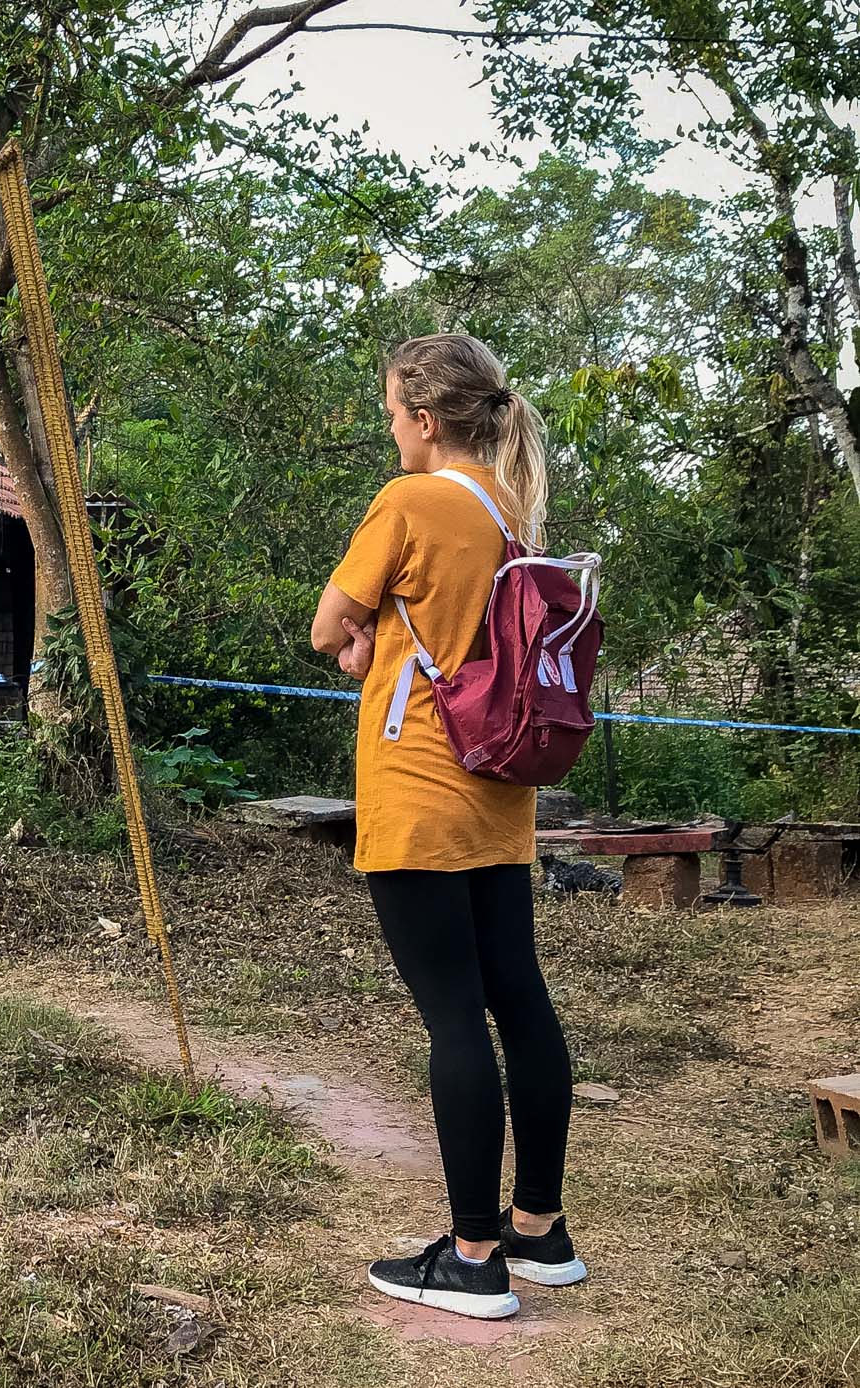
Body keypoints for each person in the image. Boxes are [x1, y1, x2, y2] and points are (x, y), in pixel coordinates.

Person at [311, 333, 585, 1321]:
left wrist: (364, 637)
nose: (388, 427)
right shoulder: (511, 510)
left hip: (419, 791)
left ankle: (470, 1257)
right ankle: (536, 1228)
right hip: (498, 792)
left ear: (424, 420)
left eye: (390, 411)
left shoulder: (409, 502)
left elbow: (323, 623)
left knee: (450, 1018)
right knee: (518, 998)